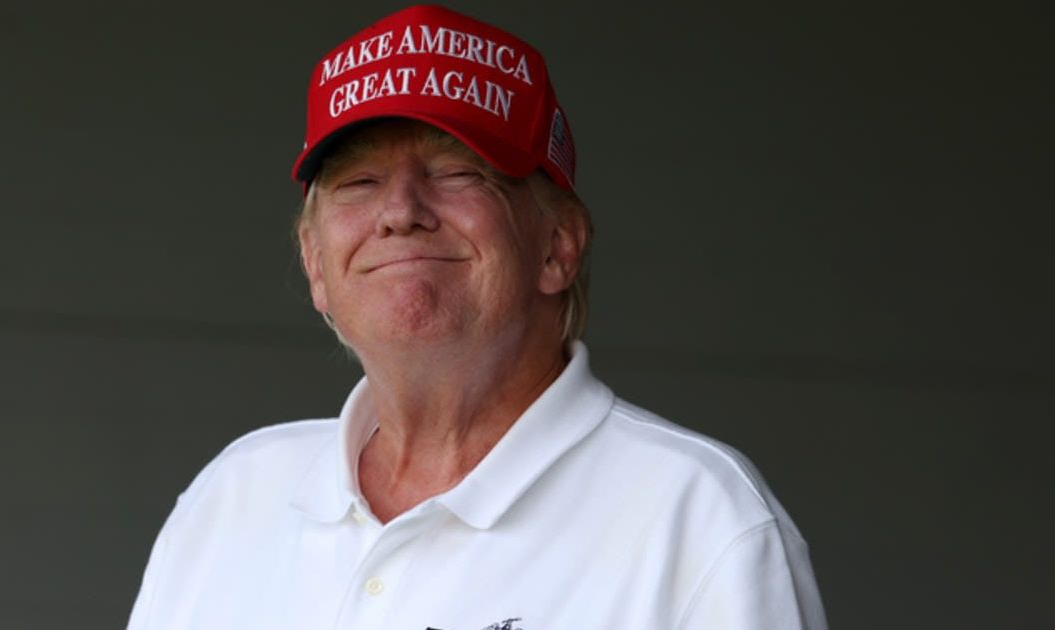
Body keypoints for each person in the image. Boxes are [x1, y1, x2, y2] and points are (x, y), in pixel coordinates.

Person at [126, 5, 827, 629]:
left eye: (457, 171)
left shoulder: (699, 521)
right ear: (315, 263)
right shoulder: (232, 499)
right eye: (360, 182)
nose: (400, 211)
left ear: (558, 245)